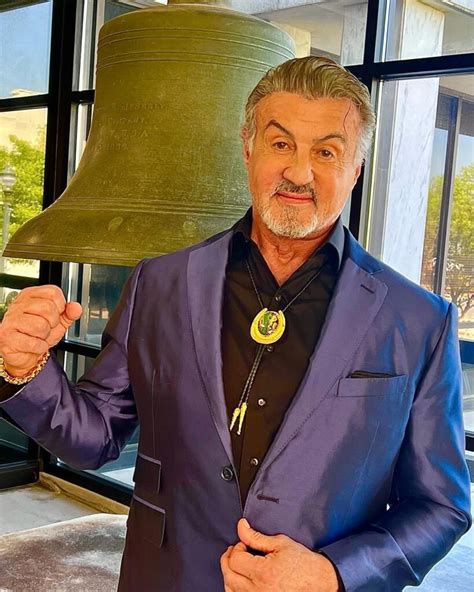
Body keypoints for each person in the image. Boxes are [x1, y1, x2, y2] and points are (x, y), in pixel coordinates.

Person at [0, 57, 471, 592]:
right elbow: (95, 437)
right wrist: (24, 369)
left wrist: (334, 574)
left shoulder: (418, 320)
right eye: (281, 143)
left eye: (326, 152)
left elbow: (442, 506)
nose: (299, 173)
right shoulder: (159, 284)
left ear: (355, 169)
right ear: (248, 149)